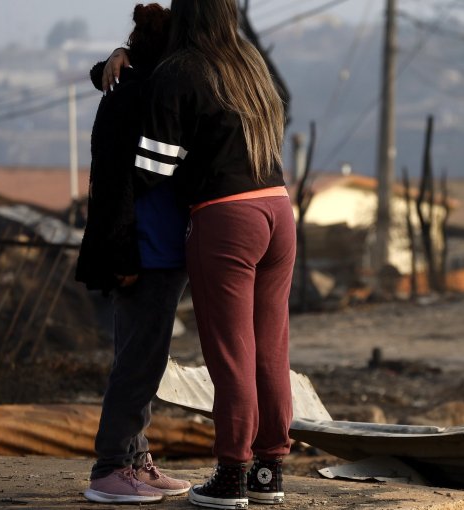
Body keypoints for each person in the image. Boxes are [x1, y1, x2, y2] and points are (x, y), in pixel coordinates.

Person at [107, 0, 295, 507]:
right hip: (278, 209)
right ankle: (268, 471)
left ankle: (232, 474)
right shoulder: (249, 61)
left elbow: (153, 168)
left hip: (226, 219)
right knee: (270, 347)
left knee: (231, 355)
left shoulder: (180, 70)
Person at [75, 3, 191, 504]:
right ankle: (111, 467)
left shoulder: (132, 85)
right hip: (147, 250)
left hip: (150, 246)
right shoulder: (144, 93)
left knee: (140, 356)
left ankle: (134, 457)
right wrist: (123, 256)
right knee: (140, 363)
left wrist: (113, 59)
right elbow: (120, 183)